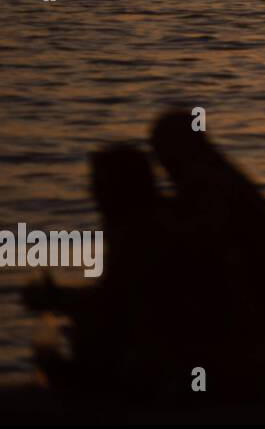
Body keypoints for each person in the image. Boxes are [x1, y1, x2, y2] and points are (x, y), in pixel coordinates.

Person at [151, 110, 265, 397]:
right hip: (264, 329)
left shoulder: (209, 190)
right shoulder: (220, 181)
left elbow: (199, 259)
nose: (162, 165)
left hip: (252, 336)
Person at [22, 145, 174, 397]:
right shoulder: (147, 222)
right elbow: (118, 293)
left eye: (98, 184)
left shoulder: (141, 233)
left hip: (155, 368)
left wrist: (57, 299)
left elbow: (120, 303)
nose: (91, 192)